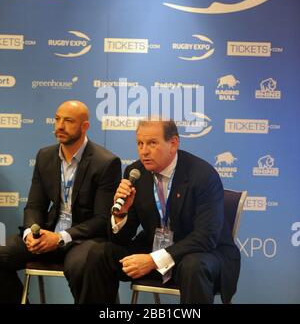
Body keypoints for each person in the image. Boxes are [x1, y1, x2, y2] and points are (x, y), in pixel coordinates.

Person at [82, 117, 241, 304]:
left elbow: (206, 237)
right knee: (99, 254)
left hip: (199, 253)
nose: (144, 151)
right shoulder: (135, 172)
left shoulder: (202, 175)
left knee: (194, 266)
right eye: (140, 143)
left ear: (173, 143)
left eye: (152, 143)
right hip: (153, 249)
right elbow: (121, 239)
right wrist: (120, 214)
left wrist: (153, 260)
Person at [0, 100, 121, 303]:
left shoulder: (106, 163)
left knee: (82, 265)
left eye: (68, 121)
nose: (60, 126)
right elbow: (35, 205)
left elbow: (101, 220)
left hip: (83, 240)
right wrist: (31, 232)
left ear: (85, 127)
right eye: (57, 119)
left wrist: (60, 238)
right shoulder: (45, 156)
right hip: (47, 234)